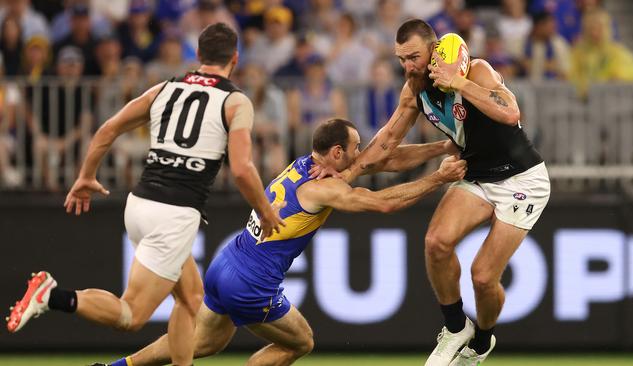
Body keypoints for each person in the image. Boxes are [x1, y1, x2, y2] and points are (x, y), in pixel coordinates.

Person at [6, 23, 284, 366]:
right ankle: (52, 295)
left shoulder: (165, 88)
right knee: (131, 316)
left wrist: (86, 175)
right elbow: (242, 169)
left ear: (197, 55)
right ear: (235, 59)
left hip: (139, 204)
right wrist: (265, 210)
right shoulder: (236, 101)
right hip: (176, 214)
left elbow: (108, 129)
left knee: (191, 298)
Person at [95, 118, 466, 366]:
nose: (360, 153)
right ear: (337, 152)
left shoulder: (305, 166)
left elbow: (376, 162)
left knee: (202, 343)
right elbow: (382, 202)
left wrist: (440, 148)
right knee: (300, 342)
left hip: (226, 262)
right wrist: (437, 180)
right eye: (355, 147)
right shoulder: (326, 186)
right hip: (251, 284)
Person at [312, 19, 550, 365]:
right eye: (401, 59)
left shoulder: (477, 70)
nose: (407, 66)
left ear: (435, 50)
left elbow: (510, 111)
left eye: (413, 57)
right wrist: (344, 174)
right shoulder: (414, 92)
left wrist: (459, 83)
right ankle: (455, 328)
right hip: (476, 174)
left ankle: (481, 343)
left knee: (483, 277)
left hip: (522, 181)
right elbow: (386, 144)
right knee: (436, 243)